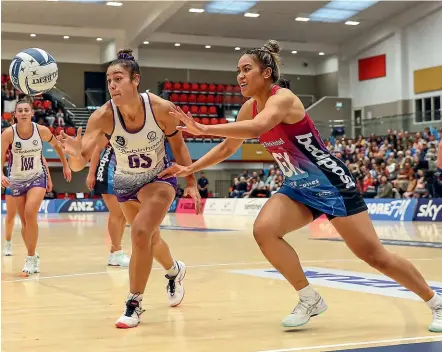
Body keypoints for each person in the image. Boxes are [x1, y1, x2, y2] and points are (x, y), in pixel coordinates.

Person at [159, 40, 442, 333]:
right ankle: (309, 298)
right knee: (265, 231)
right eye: (238, 71)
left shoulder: (283, 99)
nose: (240, 76)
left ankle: (436, 302)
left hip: (331, 183)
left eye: (247, 69)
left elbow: (258, 128)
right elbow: (228, 148)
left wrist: (204, 127)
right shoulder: (248, 107)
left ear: (266, 72)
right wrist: (191, 168)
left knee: (374, 256)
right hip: (298, 185)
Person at [58, 49, 201, 329]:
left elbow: (179, 146)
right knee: (151, 240)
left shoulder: (160, 108)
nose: (112, 85)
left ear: (136, 80)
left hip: (159, 179)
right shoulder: (102, 116)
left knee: (139, 233)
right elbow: (79, 162)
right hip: (125, 183)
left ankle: (134, 303)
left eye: (118, 78)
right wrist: (74, 153)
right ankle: (174, 271)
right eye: (109, 80)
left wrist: (191, 182)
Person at [1, 99, 71, 274]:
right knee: (25, 222)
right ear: (15, 115)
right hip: (17, 179)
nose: (24, 113)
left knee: (30, 212)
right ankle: (32, 254)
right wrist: (1, 174)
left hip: (37, 177)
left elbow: (57, 147)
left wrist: (66, 165)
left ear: (32, 113)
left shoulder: (42, 131)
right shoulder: (8, 134)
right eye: (20, 110)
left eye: (26, 110)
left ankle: (31, 258)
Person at [86, 143, 130, 267]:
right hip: (108, 170)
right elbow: (97, 148)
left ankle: (114, 253)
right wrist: (91, 173)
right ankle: (117, 251)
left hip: (122, 172)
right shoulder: (110, 125)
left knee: (123, 215)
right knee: (117, 213)